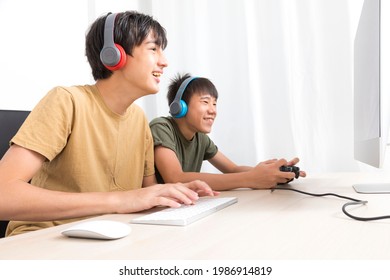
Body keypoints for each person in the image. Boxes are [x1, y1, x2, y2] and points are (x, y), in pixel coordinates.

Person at [0, 12, 216, 237]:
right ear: (114, 55)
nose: (164, 61)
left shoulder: (139, 120)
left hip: (108, 236)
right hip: (43, 237)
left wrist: (173, 194)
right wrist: (118, 200)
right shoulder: (67, 101)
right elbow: (3, 195)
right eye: (153, 49)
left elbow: (144, 196)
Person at [149, 73, 306, 190]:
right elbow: (176, 178)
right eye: (205, 102)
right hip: (158, 213)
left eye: (215, 104)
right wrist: (251, 179)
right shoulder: (162, 128)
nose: (213, 110)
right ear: (179, 106)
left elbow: (232, 169)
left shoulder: (200, 138)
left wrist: (273, 174)